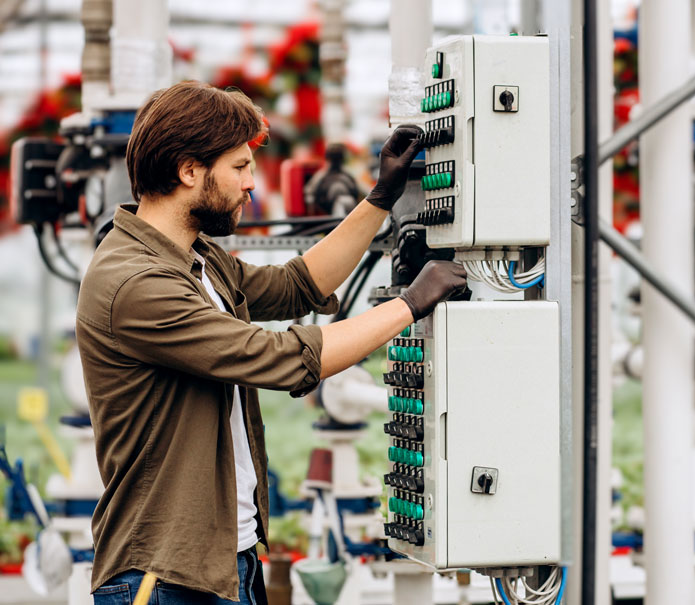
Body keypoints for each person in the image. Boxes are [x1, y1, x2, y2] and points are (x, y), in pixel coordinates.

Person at [76, 80, 466, 604]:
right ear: (189, 171)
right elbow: (274, 357)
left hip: (225, 562)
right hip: (162, 577)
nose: (251, 184)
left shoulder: (196, 258)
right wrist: (409, 305)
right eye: (239, 167)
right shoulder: (136, 283)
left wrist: (381, 199)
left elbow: (297, 284)